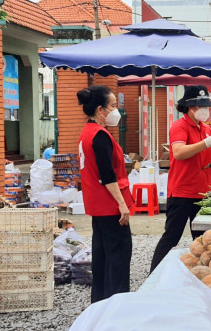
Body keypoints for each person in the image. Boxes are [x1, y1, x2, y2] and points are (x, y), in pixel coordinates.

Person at [150, 86, 211, 273]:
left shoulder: (206, 128)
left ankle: (204, 274)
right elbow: (178, 153)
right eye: (200, 105)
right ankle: (154, 274)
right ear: (189, 107)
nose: (205, 110)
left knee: (203, 239)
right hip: (182, 192)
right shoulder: (180, 126)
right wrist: (207, 143)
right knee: (171, 236)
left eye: (206, 106)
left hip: (203, 191)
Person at [77, 85, 134, 303]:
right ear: (100, 109)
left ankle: (100, 303)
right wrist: (122, 203)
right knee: (119, 257)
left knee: (102, 257)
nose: (115, 111)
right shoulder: (100, 136)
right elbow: (107, 175)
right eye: (112, 106)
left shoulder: (87, 132)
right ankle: (117, 305)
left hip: (97, 205)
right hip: (109, 205)